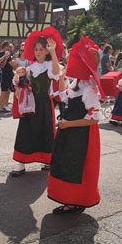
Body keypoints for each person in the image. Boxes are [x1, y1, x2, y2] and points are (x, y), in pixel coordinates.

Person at [47, 36, 103, 215]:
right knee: (65, 164)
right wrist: (62, 75)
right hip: (70, 130)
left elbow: (94, 118)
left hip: (82, 134)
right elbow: (63, 95)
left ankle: (75, 201)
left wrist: (69, 124)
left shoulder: (89, 88)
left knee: (76, 167)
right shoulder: (77, 83)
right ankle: (69, 198)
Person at [12, 26, 63, 177]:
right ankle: (21, 163)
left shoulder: (49, 65)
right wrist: (18, 77)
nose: (38, 52)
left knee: (45, 131)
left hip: (44, 103)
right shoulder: (30, 67)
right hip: (30, 103)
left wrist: (53, 52)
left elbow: (55, 72)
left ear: (46, 51)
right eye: (36, 49)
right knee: (25, 130)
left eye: (41, 49)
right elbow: (21, 82)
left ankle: (46, 160)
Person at [0, 41, 14, 113]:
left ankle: (5, 105)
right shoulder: (2, 54)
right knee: (4, 91)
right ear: (5, 46)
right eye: (8, 46)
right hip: (4, 74)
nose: (9, 48)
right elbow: (4, 65)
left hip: (8, 74)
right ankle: (1, 106)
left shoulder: (6, 54)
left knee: (7, 90)